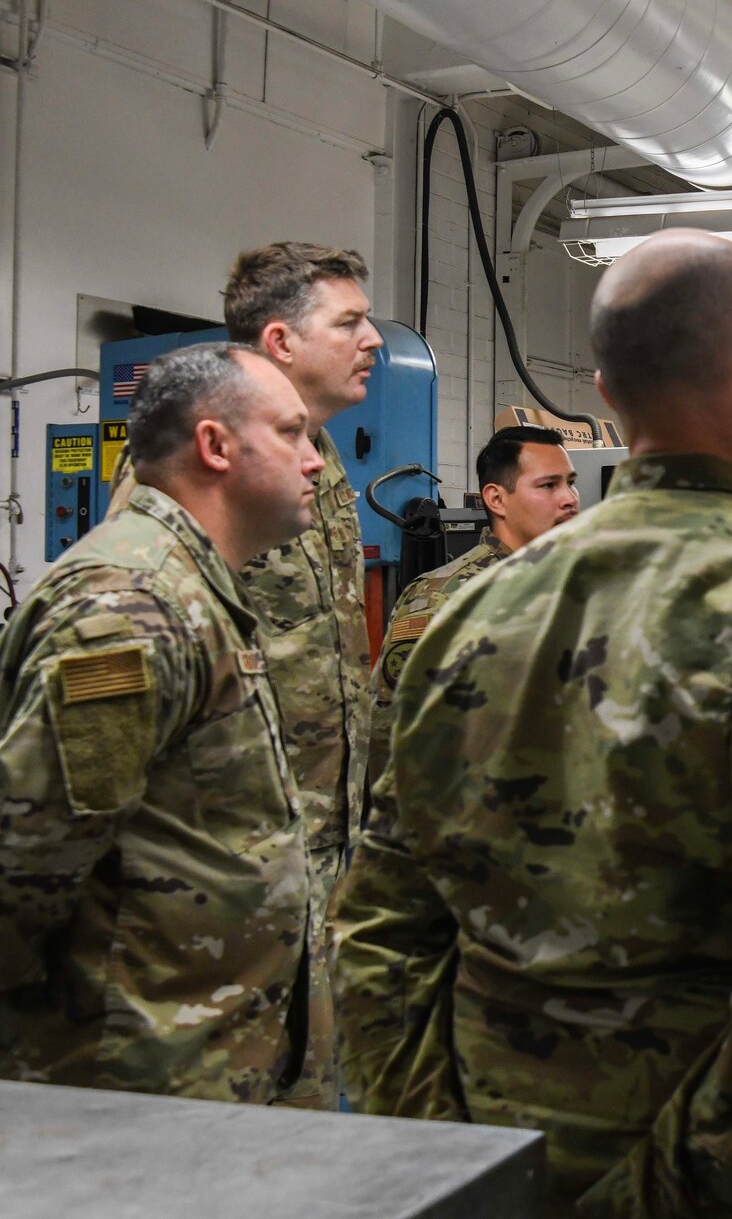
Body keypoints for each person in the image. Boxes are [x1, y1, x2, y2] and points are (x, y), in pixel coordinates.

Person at [334, 229, 732, 1215]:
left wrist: (444, 1151)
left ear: (609, 399)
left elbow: (380, 925)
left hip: (501, 1158)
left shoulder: (462, 615)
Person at [0, 345, 325, 1101]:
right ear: (214, 445)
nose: (313, 462)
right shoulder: (131, 605)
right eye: (292, 434)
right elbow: (25, 867)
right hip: (135, 1078)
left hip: (202, 1061)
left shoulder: (194, 588)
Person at [109, 243, 381, 1108]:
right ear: (281, 340)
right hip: (216, 873)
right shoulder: (199, 480)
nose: (372, 339)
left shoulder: (319, 461)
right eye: (349, 322)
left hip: (309, 850)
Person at [365, 425, 579, 782]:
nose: (570, 497)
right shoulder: (443, 597)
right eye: (548, 485)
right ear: (496, 499)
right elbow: (392, 734)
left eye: (570, 482)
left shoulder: (576, 590)